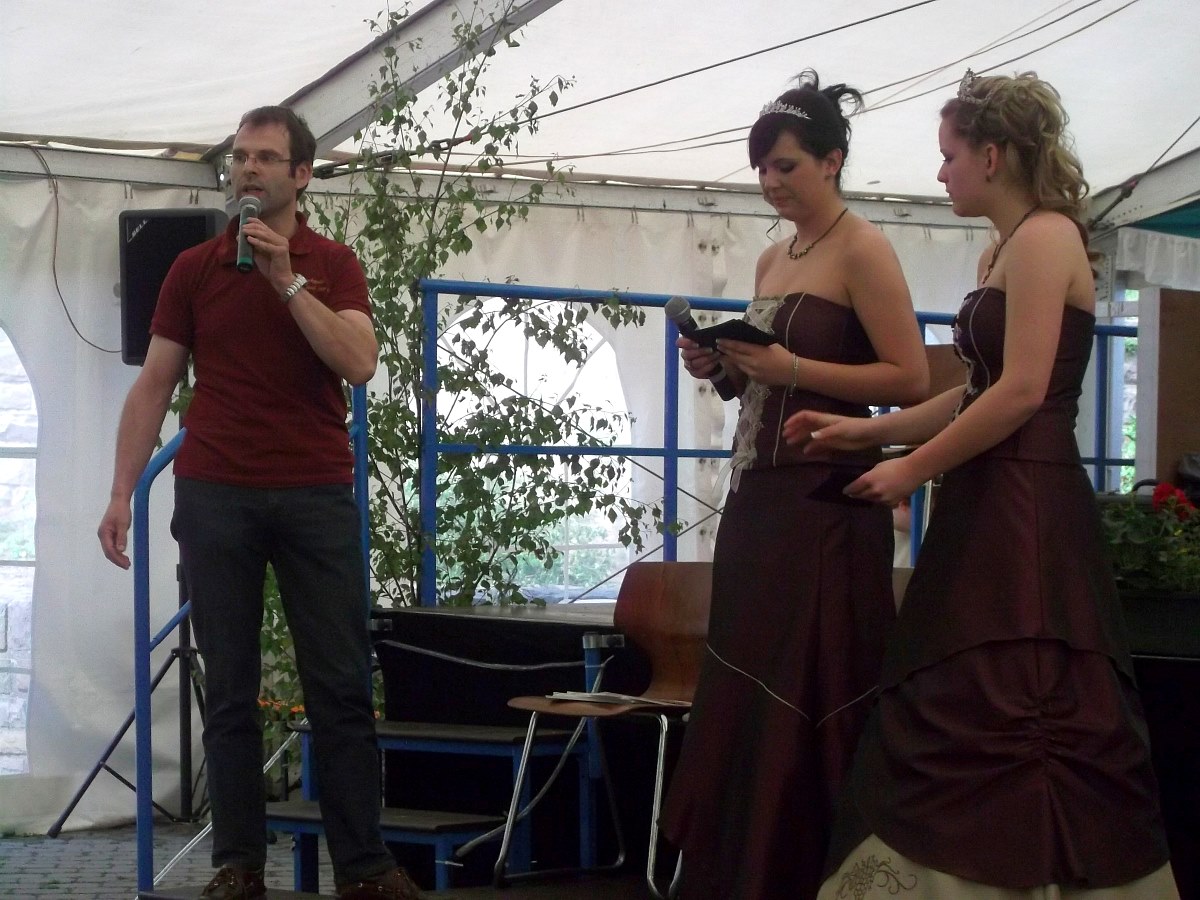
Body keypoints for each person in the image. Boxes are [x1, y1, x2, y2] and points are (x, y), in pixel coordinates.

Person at [784, 71, 1180, 898]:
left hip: (1027, 509)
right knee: (961, 695)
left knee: (1020, 700)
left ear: (992, 156)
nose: (940, 174)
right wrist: (868, 431)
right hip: (988, 501)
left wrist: (911, 467)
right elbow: (978, 390)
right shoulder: (1002, 248)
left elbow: (1023, 391)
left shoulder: (1048, 238)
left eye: (949, 156)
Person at [97, 106, 422, 900]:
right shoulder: (195, 267)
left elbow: (358, 362)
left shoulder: (333, 264)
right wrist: (121, 491)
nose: (247, 168)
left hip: (314, 494)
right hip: (218, 493)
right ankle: (238, 865)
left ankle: (364, 868)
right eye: (240, 157)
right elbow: (154, 384)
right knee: (230, 689)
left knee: (339, 684)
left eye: (266, 158)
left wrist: (287, 282)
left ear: (301, 175)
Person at [659, 71, 930, 899]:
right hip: (759, 497)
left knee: (819, 679)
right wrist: (721, 367)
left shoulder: (865, 248)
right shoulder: (774, 256)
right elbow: (765, 381)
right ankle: (748, 869)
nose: (771, 183)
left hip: (826, 497)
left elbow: (912, 378)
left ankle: (824, 872)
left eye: (786, 166)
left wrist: (792, 368)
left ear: (832, 160)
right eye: (762, 169)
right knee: (745, 679)